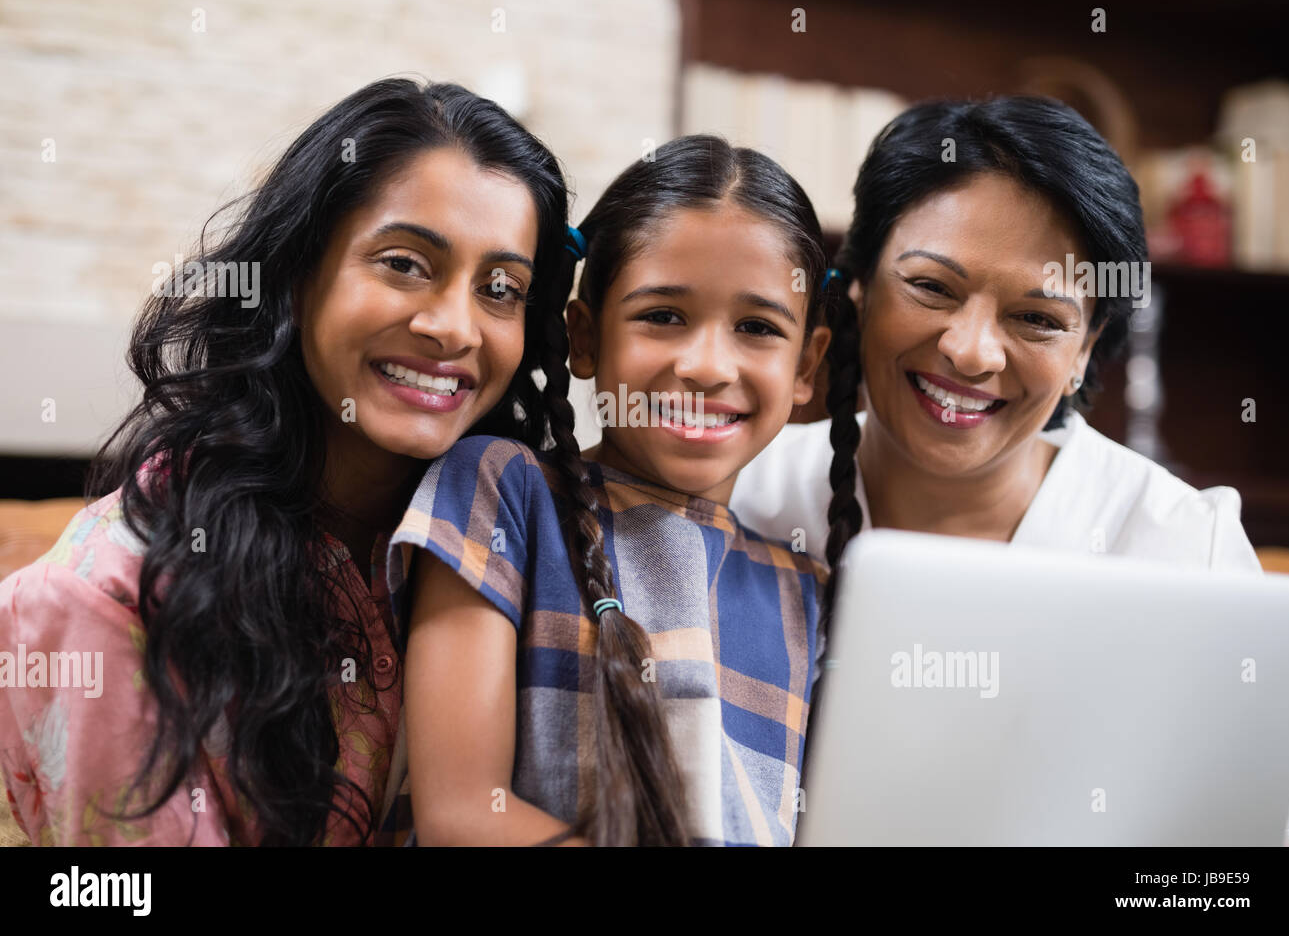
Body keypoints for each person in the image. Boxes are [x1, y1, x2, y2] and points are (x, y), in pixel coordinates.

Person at [0, 78, 571, 845]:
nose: (453, 328)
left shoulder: (511, 556)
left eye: (501, 289)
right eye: (404, 264)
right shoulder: (110, 599)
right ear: (296, 278)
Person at [386, 135, 858, 846]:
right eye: (664, 315)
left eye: (757, 328)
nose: (706, 366)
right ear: (583, 336)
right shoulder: (502, 491)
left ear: (807, 367)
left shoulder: (807, 595)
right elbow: (459, 814)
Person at [731, 97, 1261, 576]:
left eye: (1037, 319)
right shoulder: (740, 494)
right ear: (860, 290)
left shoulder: (1185, 548)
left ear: (1085, 350)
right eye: (932, 287)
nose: (969, 352)